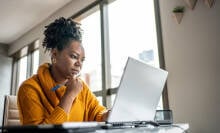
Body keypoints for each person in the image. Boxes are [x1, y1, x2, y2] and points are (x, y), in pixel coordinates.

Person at [17, 17, 109, 125]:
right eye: (74, 56)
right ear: (55, 54)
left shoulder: (81, 87)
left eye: (82, 60)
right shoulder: (29, 89)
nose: (79, 63)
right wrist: (69, 95)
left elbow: (98, 113)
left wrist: (109, 115)